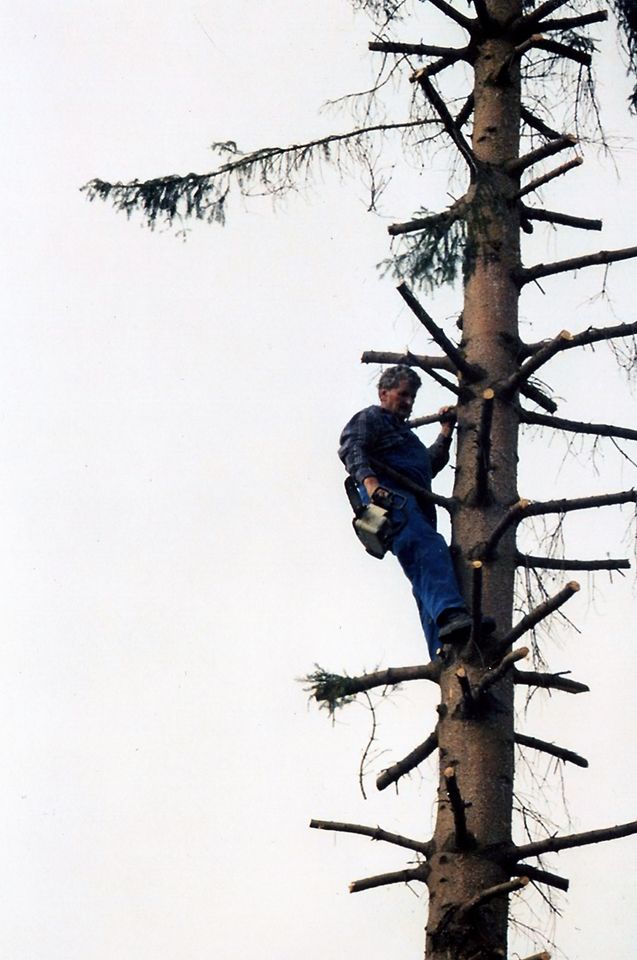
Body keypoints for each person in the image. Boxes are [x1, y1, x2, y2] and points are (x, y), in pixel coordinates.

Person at [339, 365, 477, 659]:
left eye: (412, 397)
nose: (408, 402)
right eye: (402, 395)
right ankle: (451, 615)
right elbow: (352, 447)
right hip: (392, 501)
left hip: (413, 504)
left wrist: (445, 432)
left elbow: (426, 467)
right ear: (383, 393)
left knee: (424, 569)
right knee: (427, 550)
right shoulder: (372, 418)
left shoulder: (405, 436)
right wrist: (371, 483)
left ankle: (443, 649)